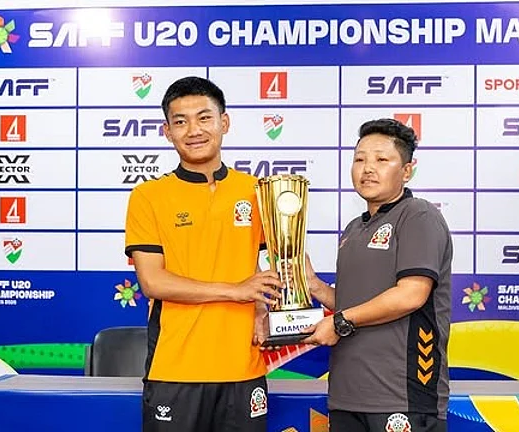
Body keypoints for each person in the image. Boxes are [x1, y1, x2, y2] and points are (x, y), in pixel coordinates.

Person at [124, 76, 283, 432]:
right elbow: (153, 281)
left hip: (244, 368)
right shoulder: (148, 196)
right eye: (180, 121)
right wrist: (236, 290)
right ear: (167, 131)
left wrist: (261, 305)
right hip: (176, 368)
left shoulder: (258, 191)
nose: (193, 130)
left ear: (224, 122)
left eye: (204, 117)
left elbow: (280, 264)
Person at [302, 118, 453, 432]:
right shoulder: (354, 229)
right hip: (347, 396)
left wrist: (340, 322)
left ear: (407, 170)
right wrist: (314, 285)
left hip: (402, 397)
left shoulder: (418, 215)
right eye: (360, 159)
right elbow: (351, 303)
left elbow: (412, 293)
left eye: (381, 159)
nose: (367, 168)